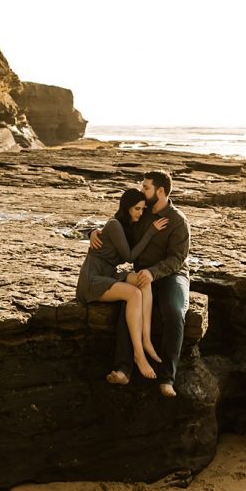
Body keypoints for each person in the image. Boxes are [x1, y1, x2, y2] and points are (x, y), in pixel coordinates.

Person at [91, 170, 190, 398]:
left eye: (146, 187)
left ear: (161, 191)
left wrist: (154, 272)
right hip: (141, 276)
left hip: (171, 275)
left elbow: (177, 258)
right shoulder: (140, 211)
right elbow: (116, 226)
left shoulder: (178, 221)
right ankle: (123, 369)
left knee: (174, 312)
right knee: (128, 306)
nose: (141, 190)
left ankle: (167, 378)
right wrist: (93, 232)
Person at [76, 188, 169, 380]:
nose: (140, 213)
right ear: (126, 208)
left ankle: (146, 339)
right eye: (137, 209)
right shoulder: (115, 225)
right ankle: (138, 355)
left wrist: (92, 231)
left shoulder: (127, 226)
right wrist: (151, 232)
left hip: (109, 274)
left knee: (144, 279)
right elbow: (129, 256)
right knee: (133, 294)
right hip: (92, 279)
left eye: (143, 209)